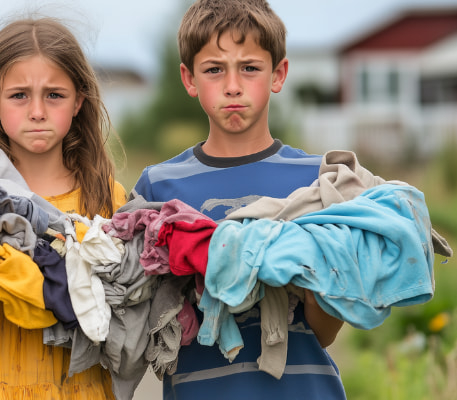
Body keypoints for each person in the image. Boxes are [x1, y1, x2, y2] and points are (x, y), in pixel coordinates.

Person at [131, 0, 347, 398]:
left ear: (278, 74)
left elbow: (326, 332)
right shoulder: (158, 186)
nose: (233, 85)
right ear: (189, 78)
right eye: (214, 69)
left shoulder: (317, 179)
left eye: (250, 67)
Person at [0, 17, 126, 399]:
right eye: (19, 95)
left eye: (54, 95)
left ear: (79, 100)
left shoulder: (106, 200)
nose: (37, 111)